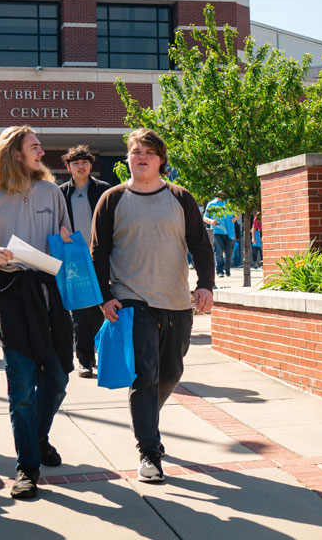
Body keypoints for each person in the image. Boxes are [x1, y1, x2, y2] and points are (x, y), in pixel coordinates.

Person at [91, 128, 214, 483]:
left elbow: (200, 245)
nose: (141, 156)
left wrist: (205, 284)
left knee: (171, 372)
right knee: (145, 375)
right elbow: (98, 251)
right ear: (127, 158)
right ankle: (149, 451)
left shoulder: (180, 197)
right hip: (131, 298)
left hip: (176, 299)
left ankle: (146, 417)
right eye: (134, 151)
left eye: (148, 151)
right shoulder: (113, 199)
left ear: (161, 159)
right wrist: (104, 296)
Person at [0, 125, 73, 500]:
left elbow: (66, 239)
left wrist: (67, 240)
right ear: (15, 153)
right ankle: (27, 466)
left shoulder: (52, 192)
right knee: (22, 390)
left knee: (58, 379)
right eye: (35, 146)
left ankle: (38, 436)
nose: (42, 152)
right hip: (12, 296)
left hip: (50, 294)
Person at [58, 144, 112, 378]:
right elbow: (52, 221)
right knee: (79, 311)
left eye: (85, 163)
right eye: (76, 163)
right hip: (74, 258)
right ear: (69, 167)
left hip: (102, 256)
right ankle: (84, 360)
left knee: (102, 307)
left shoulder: (104, 190)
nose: (81, 167)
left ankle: (102, 354)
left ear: (91, 165)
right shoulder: (61, 193)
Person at [203, 195, 236, 277]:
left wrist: (234, 219)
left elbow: (237, 213)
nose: (221, 194)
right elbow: (205, 217)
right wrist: (211, 221)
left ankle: (227, 269)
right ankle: (219, 271)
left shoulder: (230, 203)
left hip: (229, 231)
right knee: (219, 252)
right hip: (217, 230)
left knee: (229, 253)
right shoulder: (212, 204)